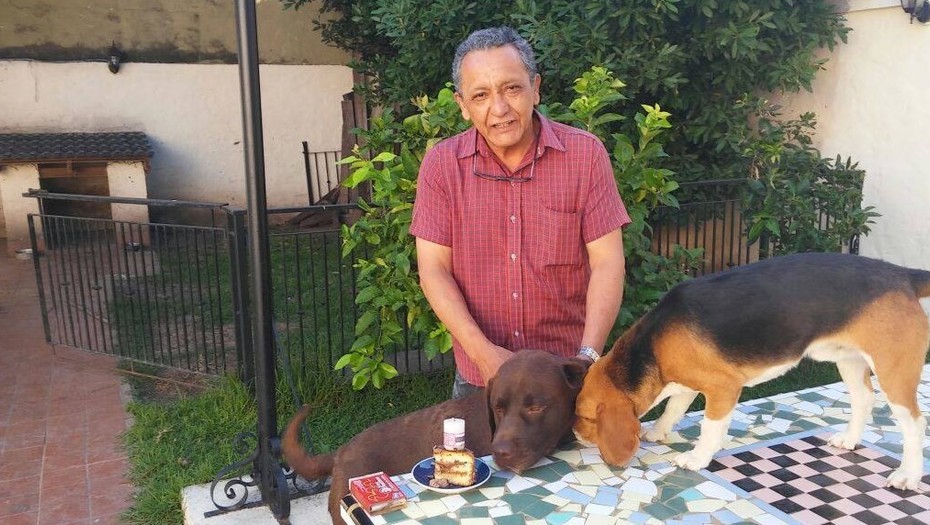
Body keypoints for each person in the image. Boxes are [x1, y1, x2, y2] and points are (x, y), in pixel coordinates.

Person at [409, 26, 630, 398]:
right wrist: (484, 356)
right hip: (480, 377)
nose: (499, 109)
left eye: (512, 88)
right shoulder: (442, 166)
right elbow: (434, 270)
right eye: (481, 95)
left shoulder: (585, 156)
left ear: (535, 88)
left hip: (567, 373)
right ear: (462, 104)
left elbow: (607, 262)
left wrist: (587, 358)